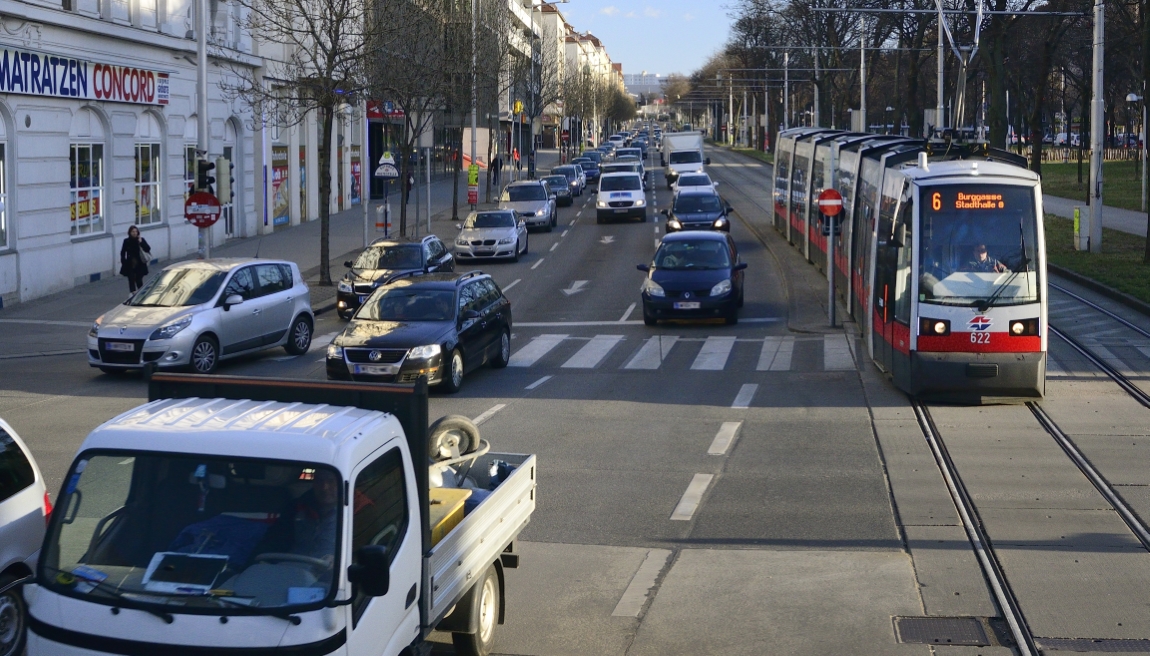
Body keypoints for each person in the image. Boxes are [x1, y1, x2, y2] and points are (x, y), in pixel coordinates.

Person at [291, 469, 339, 562]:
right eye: (319, 481)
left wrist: (338, 560)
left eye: (331, 481)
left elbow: (360, 550)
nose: (324, 487)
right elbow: (276, 539)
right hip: (293, 568)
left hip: (334, 573)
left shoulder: (358, 508)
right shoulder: (296, 507)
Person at [120, 226, 151, 293]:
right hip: (130, 264)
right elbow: (123, 252)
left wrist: (141, 242)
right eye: (133, 232)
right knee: (131, 280)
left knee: (139, 280)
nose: (134, 233)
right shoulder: (126, 241)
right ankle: (132, 294)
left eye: (136, 231)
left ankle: (141, 294)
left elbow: (148, 249)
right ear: (130, 233)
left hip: (140, 263)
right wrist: (123, 262)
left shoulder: (141, 239)